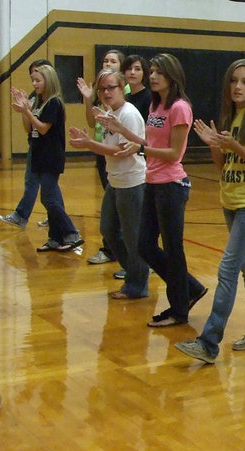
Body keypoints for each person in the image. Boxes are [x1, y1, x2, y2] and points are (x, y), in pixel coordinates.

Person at [175, 59, 245, 363]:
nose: (238, 86)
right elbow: (224, 167)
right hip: (231, 200)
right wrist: (213, 145)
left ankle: (209, 342)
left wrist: (236, 146)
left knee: (227, 269)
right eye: (234, 80)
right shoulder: (230, 115)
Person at [100, 53, 206, 327]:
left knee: (173, 248)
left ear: (172, 75)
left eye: (159, 71)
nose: (153, 76)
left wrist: (142, 148)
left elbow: (173, 153)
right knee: (144, 245)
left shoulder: (180, 107)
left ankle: (179, 310)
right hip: (153, 181)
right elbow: (148, 140)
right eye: (153, 71)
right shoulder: (156, 106)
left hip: (172, 184)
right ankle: (189, 288)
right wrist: (121, 129)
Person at [68, 68, 150, 300]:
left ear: (122, 88)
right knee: (109, 230)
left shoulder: (129, 114)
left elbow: (123, 151)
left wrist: (89, 144)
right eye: (102, 89)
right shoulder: (109, 112)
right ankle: (133, 273)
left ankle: (138, 284)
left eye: (111, 87)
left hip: (132, 183)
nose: (106, 92)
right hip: (115, 182)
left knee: (133, 237)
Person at [0, 60, 83, 252]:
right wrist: (23, 110)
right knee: (48, 198)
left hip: (51, 155)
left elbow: (44, 129)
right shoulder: (38, 101)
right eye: (32, 80)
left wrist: (27, 110)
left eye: (37, 80)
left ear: (49, 81)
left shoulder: (54, 102)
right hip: (37, 153)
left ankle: (71, 233)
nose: (34, 84)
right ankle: (55, 238)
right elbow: (29, 128)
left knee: (49, 198)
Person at [79, 49, 125, 267]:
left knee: (119, 207)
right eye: (105, 60)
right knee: (110, 203)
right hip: (102, 149)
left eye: (113, 61)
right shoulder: (102, 91)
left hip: (120, 153)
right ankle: (113, 249)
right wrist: (88, 100)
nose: (108, 63)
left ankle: (121, 252)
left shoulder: (122, 93)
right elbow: (91, 122)